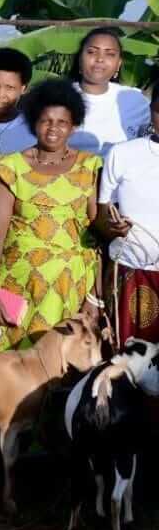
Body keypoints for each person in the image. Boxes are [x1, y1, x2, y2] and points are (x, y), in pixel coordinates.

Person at [0, 80, 102, 350]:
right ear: (34, 122)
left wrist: (95, 296)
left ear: (73, 126)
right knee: (16, 362)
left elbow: (96, 233)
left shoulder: (89, 166)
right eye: (46, 121)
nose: (53, 129)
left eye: (62, 122)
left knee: (64, 359)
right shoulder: (10, 167)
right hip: (20, 279)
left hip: (72, 282)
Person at [97, 91, 159, 342]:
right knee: (125, 359)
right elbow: (102, 212)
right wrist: (113, 227)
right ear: (151, 110)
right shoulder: (122, 154)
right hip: (130, 269)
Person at [67, 27, 149, 156]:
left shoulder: (135, 100)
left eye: (109, 54)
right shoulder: (56, 97)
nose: (100, 59)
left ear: (118, 64)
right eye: (92, 52)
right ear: (79, 59)